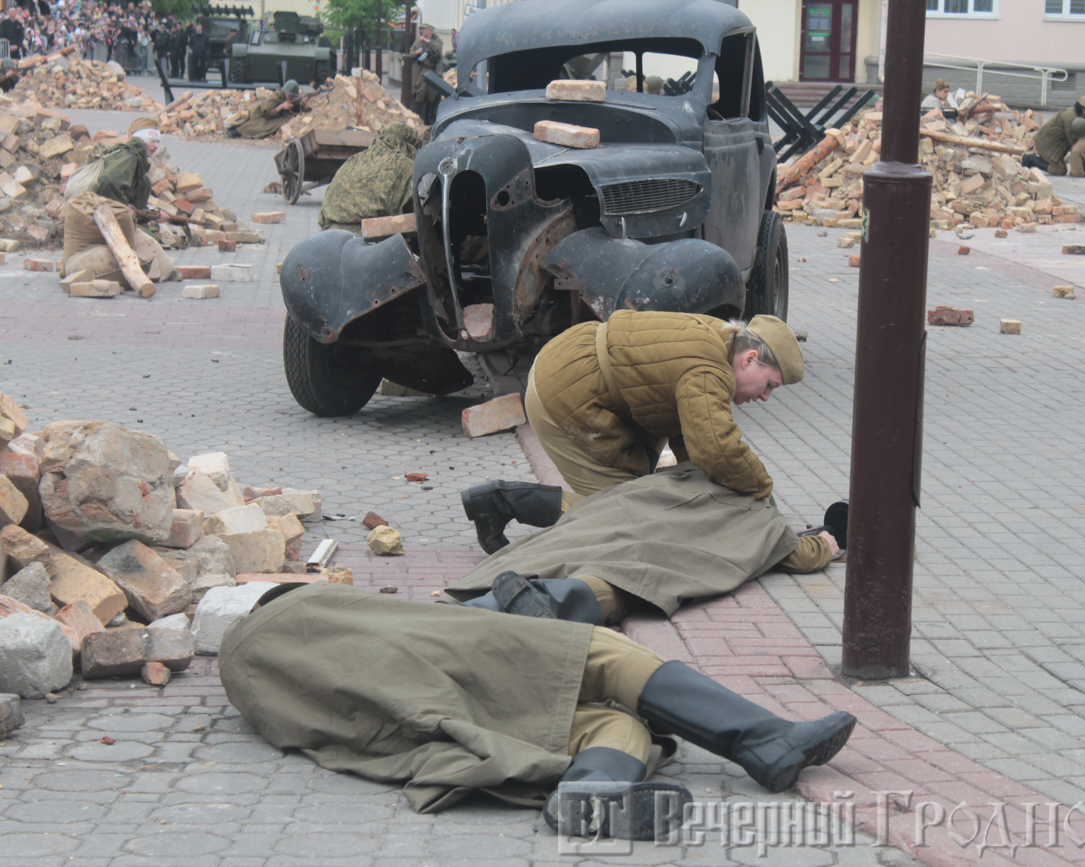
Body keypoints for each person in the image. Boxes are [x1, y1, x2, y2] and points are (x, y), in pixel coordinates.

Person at [219, 582, 857, 838]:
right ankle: (762, 739)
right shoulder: (299, 608)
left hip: (410, 706)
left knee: (610, 722)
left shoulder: (250, 678)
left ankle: (590, 793)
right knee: (598, 652)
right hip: (427, 672)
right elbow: (432, 626)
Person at [460, 311, 803, 554]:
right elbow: (716, 447)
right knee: (625, 516)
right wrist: (760, 489)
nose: (765, 397)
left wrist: (711, 492)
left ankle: (504, 502)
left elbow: (695, 434)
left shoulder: (720, 338)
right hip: (568, 395)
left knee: (643, 499)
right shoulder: (709, 370)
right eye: (769, 385)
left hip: (578, 372)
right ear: (750, 359)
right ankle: (500, 503)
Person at [448, 462, 840, 625]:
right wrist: (832, 540)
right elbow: (802, 556)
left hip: (618, 515)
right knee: (627, 580)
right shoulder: (766, 522)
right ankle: (528, 605)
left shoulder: (696, 470)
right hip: (640, 557)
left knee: (576, 529)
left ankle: (506, 498)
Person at [318, 122, 422, 232]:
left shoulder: (354, 160)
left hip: (331, 229)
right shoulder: (407, 166)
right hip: (372, 234)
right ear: (410, 145)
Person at [94, 127, 169, 223]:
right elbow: (109, 181)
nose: (156, 146)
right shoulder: (130, 157)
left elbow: (136, 211)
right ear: (141, 140)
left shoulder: (137, 164)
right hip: (103, 215)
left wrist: (154, 216)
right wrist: (123, 207)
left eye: (158, 142)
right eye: (152, 141)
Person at [1025, 95, 1085, 176]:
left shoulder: (1078, 115)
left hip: (1053, 145)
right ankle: (1031, 160)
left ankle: (1042, 160)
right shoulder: (1071, 118)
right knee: (1059, 170)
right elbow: (1074, 143)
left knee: (1061, 168)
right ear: (1084, 109)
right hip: (1046, 145)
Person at [230, 79, 302, 139]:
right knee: (260, 127)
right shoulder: (275, 97)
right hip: (259, 113)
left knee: (282, 120)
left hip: (271, 114)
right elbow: (268, 113)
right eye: (291, 95)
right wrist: (281, 106)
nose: (291, 97)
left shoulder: (284, 96)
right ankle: (236, 131)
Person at [409, 22, 443, 125]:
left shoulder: (437, 40)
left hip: (434, 70)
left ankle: (429, 118)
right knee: (420, 91)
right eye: (421, 29)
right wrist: (417, 52)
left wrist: (427, 41)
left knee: (432, 94)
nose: (422, 31)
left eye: (424, 29)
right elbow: (410, 53)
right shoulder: (419, 41)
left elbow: (438, 49)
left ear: (430, 30)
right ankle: (417, 116)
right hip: (423, 70)